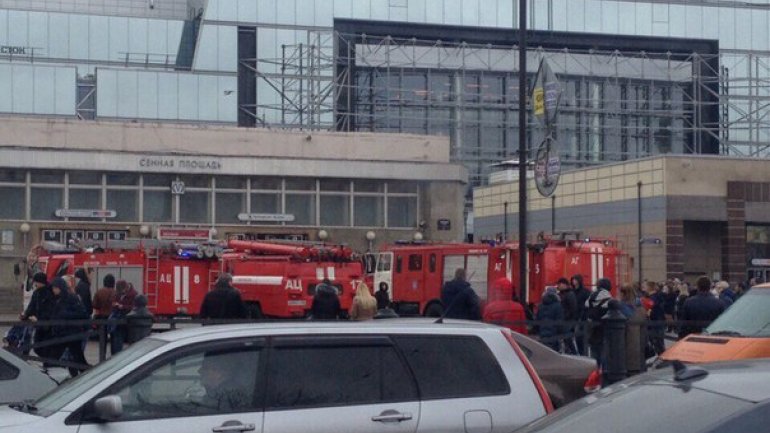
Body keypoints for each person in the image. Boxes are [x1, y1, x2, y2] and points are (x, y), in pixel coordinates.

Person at [48, 277, 90, 377]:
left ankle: (85, 375)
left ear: (60, 288)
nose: (54, 290)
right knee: (76, 357)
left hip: (70, 333)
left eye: (55, 288)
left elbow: (82, 313)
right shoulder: (58, 299)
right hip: (63, 333)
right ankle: (81, 375)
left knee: (76, 356)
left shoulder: (71, 298)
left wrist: (65, 315)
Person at [20, 272, 56, 361]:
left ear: (40, 282)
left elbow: (50, 311)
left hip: (47, 325)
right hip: (38, 324)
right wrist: (25, 315)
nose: (35, 284)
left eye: (36, 281)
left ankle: (49, 362)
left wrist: (38, 319)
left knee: (44, 346)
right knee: (37, 346)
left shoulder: (49, 293)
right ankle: (48, 361)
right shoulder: (36, 293)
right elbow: (31, 307)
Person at [617, 283, 647, 375]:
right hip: (639, 349)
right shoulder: (641, 308)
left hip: (625, 350)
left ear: (623, 294)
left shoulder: (620, 309)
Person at [586, 277, 612, 367]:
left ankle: (595, 369)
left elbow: (586, 307)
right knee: (603, 350)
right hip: (603, 327)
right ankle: (603, 369)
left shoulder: (591, 296)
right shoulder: (608, 297)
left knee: (594, 349)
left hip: (592, 326)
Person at [110, 280, 138, 355]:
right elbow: (114, 299)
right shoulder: (120, 293)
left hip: (127, 321)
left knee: (119, 341)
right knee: (116, 341)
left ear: (125, 288)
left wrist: (123, 307)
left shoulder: (134, 294)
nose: (121, 293)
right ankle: (116, 356)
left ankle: (117, 356)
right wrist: (114, 304)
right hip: (119, 320)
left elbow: (134, 307)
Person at [535, 287, 564, 352]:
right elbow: (559, 322)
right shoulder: (558, 306)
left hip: (542, 334)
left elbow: (537, 320)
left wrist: (538, 331)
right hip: (554, 335)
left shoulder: (541, 305)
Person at [644, 281, 666, 356]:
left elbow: (650, 310)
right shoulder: (658, 296)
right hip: (660, 321)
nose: (644, 288)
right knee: (659, 343)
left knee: (657, 343)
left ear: (650, 287)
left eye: (645, 286)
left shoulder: (652, 298)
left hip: (654, 323)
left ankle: (663, 358)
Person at [556, 277, 578, 354]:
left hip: (567, 321)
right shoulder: (562, 294)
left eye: (559, 284)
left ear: (564, 285)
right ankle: (570, 353)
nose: (557, 286)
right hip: (564, 320)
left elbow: (573, 309)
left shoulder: (569, 294)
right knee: (566, 340)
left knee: (568, 339)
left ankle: (573, 354)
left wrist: (566, 317)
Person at [571, 274, 591, 355]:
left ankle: (583, 354)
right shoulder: (572, 292)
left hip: (582, 318)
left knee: (581, 338)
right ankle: (581, 353)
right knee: (577, 338)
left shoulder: (585, 292)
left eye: (575, 279)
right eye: (573, 279)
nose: (573, 281)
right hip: (575, 317)